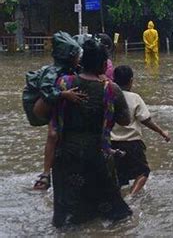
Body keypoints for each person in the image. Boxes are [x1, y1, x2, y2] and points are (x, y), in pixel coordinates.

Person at [51, 38, 132, 227]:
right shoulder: (111, 89)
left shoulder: (64, 83)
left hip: (66, 156)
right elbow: (125, 120)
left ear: (81, 62)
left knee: (69, 217)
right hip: (98, 156)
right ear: (104, 65)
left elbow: (47, 113)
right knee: (116, 216)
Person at [24, 31, 87, 190]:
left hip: (56, 105)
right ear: (68, 56)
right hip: (42, 105)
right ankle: (46, 173)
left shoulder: (72, 70)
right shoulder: (53, 72)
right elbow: (47, 92)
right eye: (76, 56)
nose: (78, 59)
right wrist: (64, 94)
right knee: (53, 134)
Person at [111, 65, 171, 196]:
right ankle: (132, 197)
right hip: (133, 144)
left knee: (119, 177)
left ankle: (119, 197)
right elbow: (146, 120)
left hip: (112, 144)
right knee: (143, 172)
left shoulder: (109, 97)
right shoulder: (135, 97)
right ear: (131, 81)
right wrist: (162, 132)